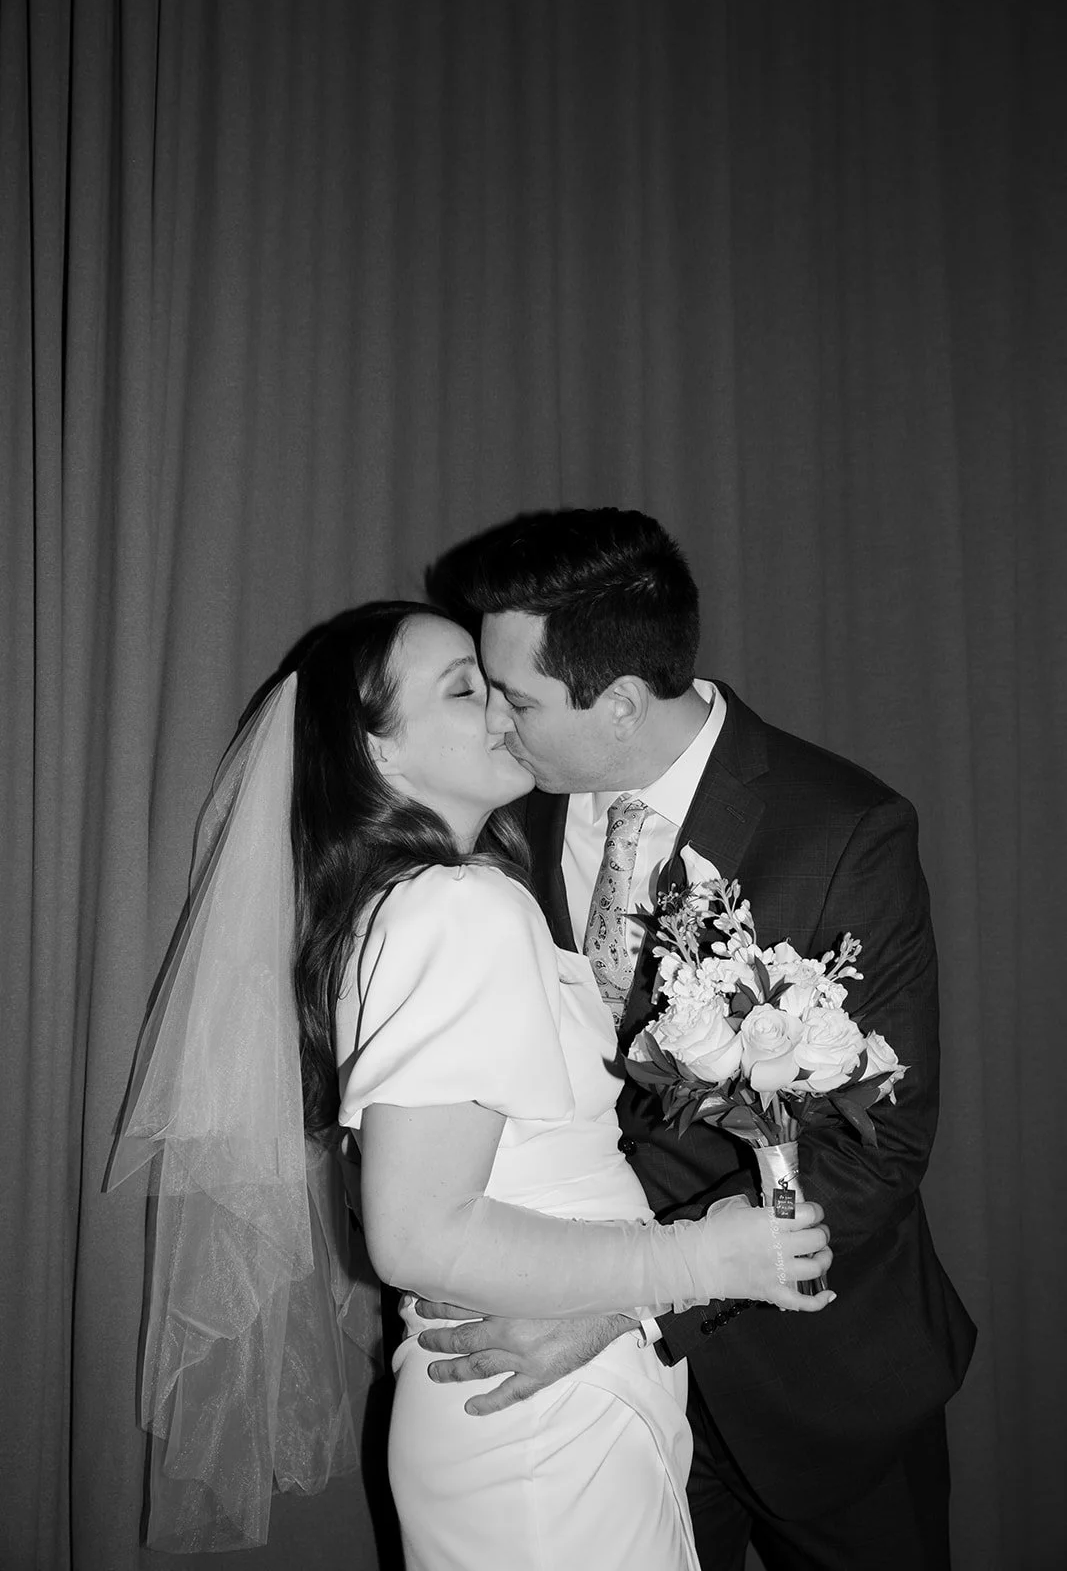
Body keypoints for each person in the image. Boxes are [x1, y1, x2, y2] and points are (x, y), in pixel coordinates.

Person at [108, 599, 833, 1566]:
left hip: (531, 1398)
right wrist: (699, 1263)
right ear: (377, 755)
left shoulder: (417, 904)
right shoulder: (459, 908)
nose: (502, 708)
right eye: (463, 690)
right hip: (534, 1427)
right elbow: (417, 1231)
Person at [419, 512, 977, 1571]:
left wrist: (626, 1299)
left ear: (621, 702)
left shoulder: (843, 829)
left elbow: (877, 1151)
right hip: (608, 1410)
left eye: (519, 698)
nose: (495, 721)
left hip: (824, 1383)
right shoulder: (503, 824)